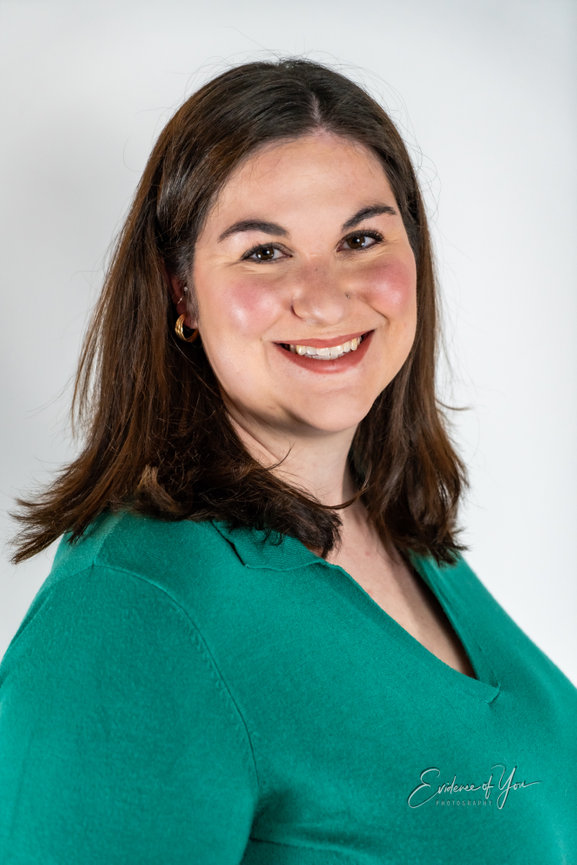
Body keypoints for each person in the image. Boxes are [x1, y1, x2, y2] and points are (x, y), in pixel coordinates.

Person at [0, 58, 575, 864]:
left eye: (361, 238)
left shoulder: (403, 534)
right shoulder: (133, 615)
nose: (327, 294)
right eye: (264, 253)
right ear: (181, 295)